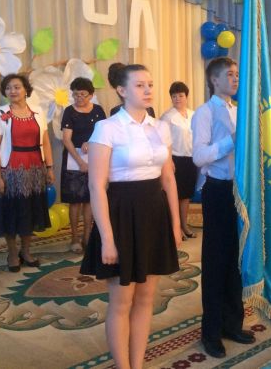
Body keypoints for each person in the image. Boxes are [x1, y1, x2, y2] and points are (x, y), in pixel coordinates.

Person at [80, 63, 181, 369]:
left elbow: (168, 179)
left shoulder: (160, 127)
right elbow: (97, 186)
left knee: (146, 299)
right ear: (122, 90)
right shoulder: (107, 128)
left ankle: (137, 365)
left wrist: (176, 224)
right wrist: (107, 239)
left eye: (150, 84)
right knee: (122, 301)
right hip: (121, 214)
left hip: (154, 214)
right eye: (139, 85)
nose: (148, 90)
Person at [192, 57, 255, 359]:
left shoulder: (239, 111)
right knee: (216, 261)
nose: (235, 79)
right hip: (217, 191)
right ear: (214, 80)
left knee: (236, 259)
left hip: (240, 192)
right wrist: (231, 142)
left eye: (237, 74)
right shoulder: (204, 112)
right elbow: (199, 157)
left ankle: (233, 324)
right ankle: (212, 332)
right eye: (229, 74)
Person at [0, 74, 54, 271]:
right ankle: (12, 253)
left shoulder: (38, 112)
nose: (12, 91)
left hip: (35, 170)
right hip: (10, 171)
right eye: (8, 88)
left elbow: (46, 142)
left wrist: (49, 168)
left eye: (17, 87)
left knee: (30, 212)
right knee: (10, 213)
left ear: (26, 90)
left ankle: (26, 252)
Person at [60, 77, 106, 253]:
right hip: (74, 161)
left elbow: (104, 133)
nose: (79, 98)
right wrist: (80, 162)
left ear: (91, 95)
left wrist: (90, 142)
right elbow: (66, 139)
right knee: (75, 201)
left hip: (94, 159)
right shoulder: (69, 111)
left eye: (83, 95)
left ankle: (87, 237)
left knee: (90, 200)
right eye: (75, 94)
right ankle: (74, 238)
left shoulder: (98, 111)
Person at [161, 81, 198, 240]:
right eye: (174, 96)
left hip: (191, 159)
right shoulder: (167, 117)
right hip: (175, 159)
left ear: (186, 97)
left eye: (180, 96)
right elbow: (162, 141)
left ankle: (184, 224)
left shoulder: (194, 114)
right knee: (175, 194)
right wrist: (168, 161)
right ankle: (175, 227)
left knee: (187, 194)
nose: (177, 99)